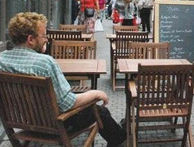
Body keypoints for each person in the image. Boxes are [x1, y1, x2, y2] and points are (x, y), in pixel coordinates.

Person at [0, 12, 126, 147]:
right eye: (44, 36)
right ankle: (121, 141)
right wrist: (96, 93)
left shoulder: (2, 60)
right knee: (101, 112)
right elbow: (67, 103)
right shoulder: (45, 63)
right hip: (54, 123)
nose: (46, 39)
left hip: (23, 120)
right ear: (30, 39)